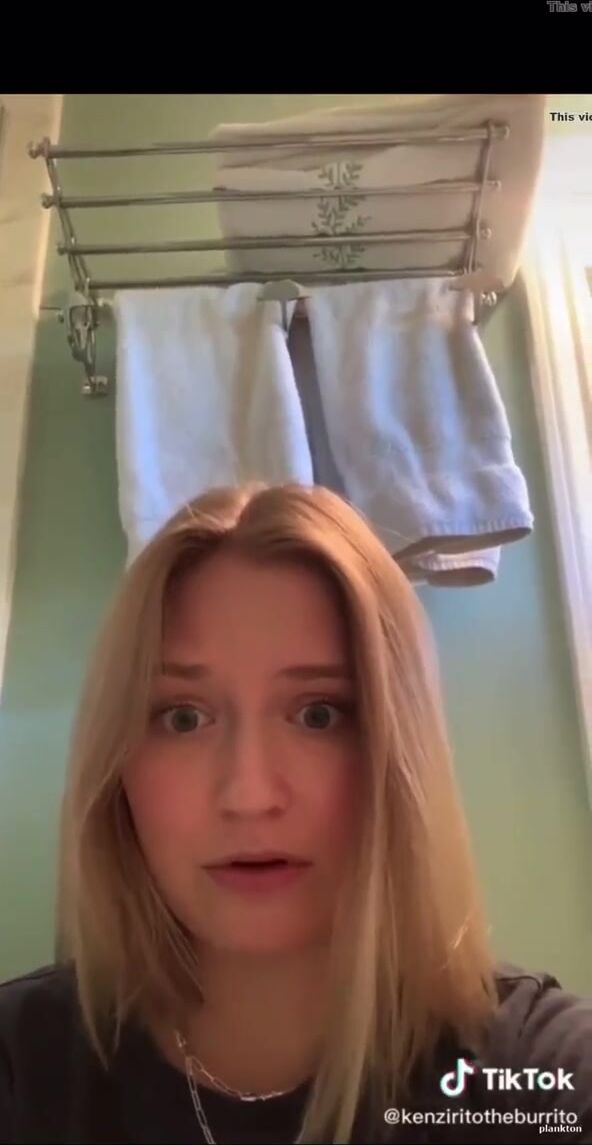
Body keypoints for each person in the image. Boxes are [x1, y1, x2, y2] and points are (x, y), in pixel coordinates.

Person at [0, 481, 591, 1145]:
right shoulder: (22, 1068)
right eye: (184, 717)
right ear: (116, 767)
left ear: (397, 752)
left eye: (318, 714)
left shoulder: (533, 1075)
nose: (250, 794)